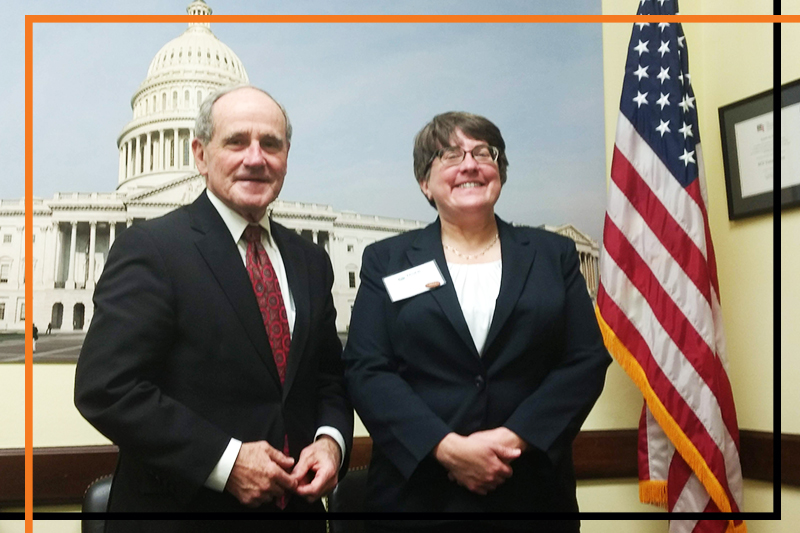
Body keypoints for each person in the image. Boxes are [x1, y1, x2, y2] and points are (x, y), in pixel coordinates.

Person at [74, 86, 353, 530]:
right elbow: (107, 387)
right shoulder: (151, 248)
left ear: (286, 157)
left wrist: (330, 442)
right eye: (237, 141)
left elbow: (328, 379)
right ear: (201, 155)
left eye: (271, 144)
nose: (256, 158)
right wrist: (225, 461)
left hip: (295, 515)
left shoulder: (310, 262)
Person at [342, 112, 611, 531]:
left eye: (483, 152)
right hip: (418, 499)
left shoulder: (552, 255)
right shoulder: (386, 260)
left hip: (531, 494)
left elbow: (585, 360)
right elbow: (367, 368)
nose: (470, 164)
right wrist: (446, 447)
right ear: (424, 183)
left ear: (498, 172)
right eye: (449, 155)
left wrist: (513, 439)